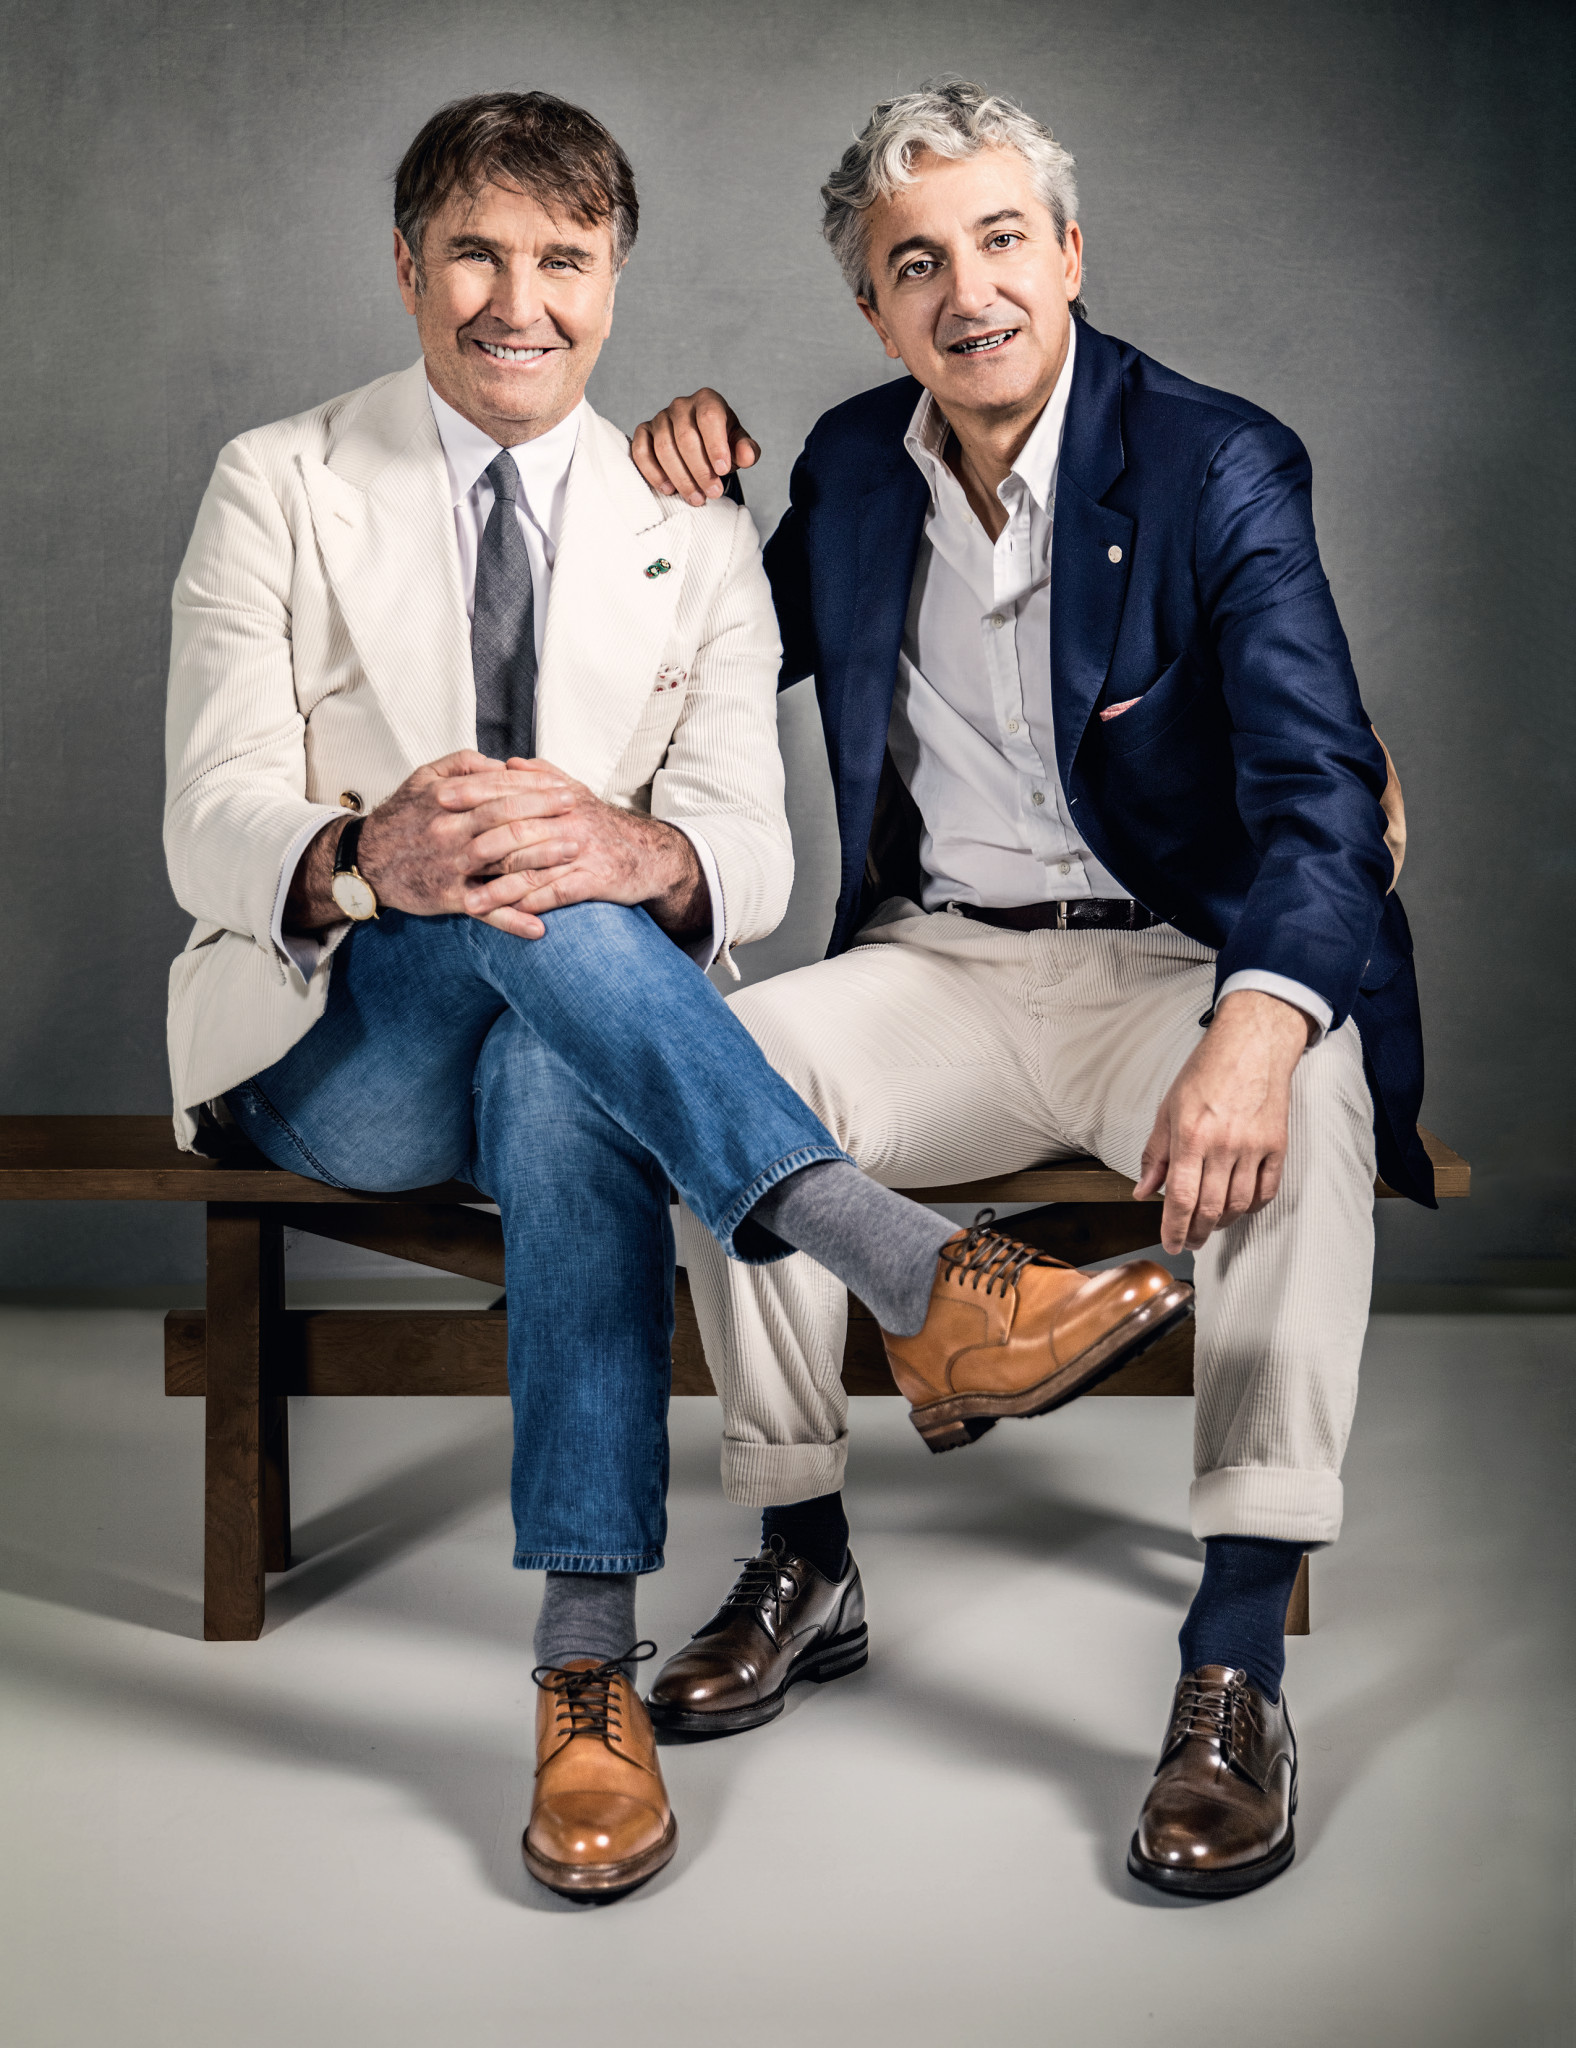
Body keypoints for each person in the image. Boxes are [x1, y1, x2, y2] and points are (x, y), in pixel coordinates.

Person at [163, 89, 1185, 1901]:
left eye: (563, 260)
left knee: (564, 1012)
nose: (519, 302)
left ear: (614, 284)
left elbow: (750, 858)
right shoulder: (282, 480)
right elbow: (204, 815)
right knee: (521, 885)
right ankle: (914, 1273)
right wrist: (368, 852)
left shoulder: (689, 522)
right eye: (475, 254)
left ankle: (585, 1681)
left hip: (581, 1045)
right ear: (405, 268)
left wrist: (636, 851)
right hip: (338, 1044)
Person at [629, 79, 1428, 1898]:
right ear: (874, 310)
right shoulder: (851, 467)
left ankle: (1235, 1664)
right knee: (727, 1058)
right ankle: (803, 1555)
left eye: (1002, 240)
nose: (968, 290)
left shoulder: (1218, 461)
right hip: (946, 965)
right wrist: (661, 493)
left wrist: (1257, 1018)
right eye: (917, 264)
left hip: (1175, 963)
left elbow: (1324, 793)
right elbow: (689, 660)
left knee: (1305, 1081)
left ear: (1069, 253)